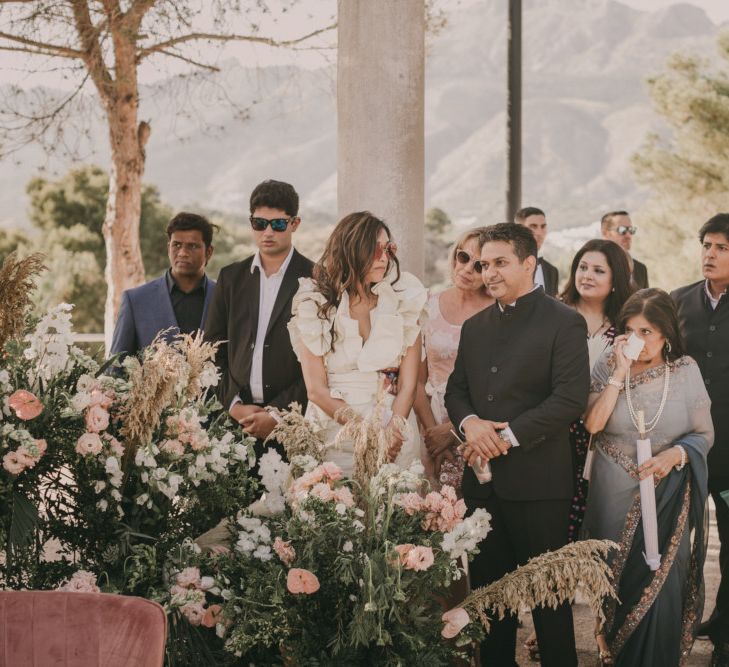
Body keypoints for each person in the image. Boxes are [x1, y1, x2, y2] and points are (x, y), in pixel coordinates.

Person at [445, 222, 589, 667]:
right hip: (484, 489)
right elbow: (456, 392)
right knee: (490, 605)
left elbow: (569, 400)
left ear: (530, 263)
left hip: (540, 485)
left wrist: (501, 437)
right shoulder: (475, 326)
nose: (489, 273)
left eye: (500, 263)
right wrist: (470, 425)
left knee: (549, 603)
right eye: (484, 264)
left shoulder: (565, 321)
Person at [583, 289, 713, 666]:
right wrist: (618, 373)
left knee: (664, 577)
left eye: (647, 331)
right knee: (613, 575)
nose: (638, 340)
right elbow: (593, 424)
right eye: (630, 330)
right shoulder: (608, 365)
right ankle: (615, 651)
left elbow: (706, 434)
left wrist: (675, 455)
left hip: (667, 489)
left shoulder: (685, 370)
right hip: (613, 490)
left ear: (666, 335)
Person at [287, 211, 427, 477]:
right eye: (375, 250)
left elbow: (409, 384)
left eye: (388, 249)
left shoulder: (405, 299)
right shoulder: (314, 304)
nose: (384, 258)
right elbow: (316, 389)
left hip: (393, 429)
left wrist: (390, 433)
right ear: (352, 250)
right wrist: (368, 434)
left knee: (394, 512)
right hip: (335, 431)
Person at [204, 180, 314, 460]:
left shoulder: (316, 279)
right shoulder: (230, 278)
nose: (267, 232)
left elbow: (321, 361)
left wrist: (276, 414)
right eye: (259, 223)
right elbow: (212, 348)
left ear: (295, 223)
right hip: (234, 424)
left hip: (294, 425)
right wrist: (233, 405)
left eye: (277, 224)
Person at [671, 213, 729, 666]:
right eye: (706, 245)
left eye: (721, 248)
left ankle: (725, 630)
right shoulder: (677, 302)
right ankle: (670, 625)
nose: (709, 254)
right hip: (684, 449)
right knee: (677, 541)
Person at [559, 239, 634, 541]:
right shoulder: (555, 314)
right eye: (582, 267)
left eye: (598, 270)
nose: (587, 275)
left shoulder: (625, 327)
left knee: (594, 523)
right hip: (555, 433)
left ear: (615, 280)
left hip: (600, 435)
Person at [413, 227, 494, 490]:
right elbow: (416, 380)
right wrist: (431, 434)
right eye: (463, 257)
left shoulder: (496, 314)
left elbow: (496, 384)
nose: (468, 269)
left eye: (480, 265)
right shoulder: (427, 305)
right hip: (427, 417)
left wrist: (451, 431)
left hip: (475, 422)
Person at [110, 212, 216, 356]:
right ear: (168, 248)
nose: (183, 253)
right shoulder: (136, 300)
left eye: (192, 246)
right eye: (177, 245)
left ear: (209, 252)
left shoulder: (226, 299)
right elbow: (116, 367)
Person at [515, 206, 559, 296]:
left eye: (543, 227)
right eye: (533, 226)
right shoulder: (506, 266)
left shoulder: (551, 271)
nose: (539, 233)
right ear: (518, 230)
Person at [600, 211, 649, 289]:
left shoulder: (641, 269)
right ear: (605, 233)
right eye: (622, 230)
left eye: (631, 230)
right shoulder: (594, 266)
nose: (628, 235)